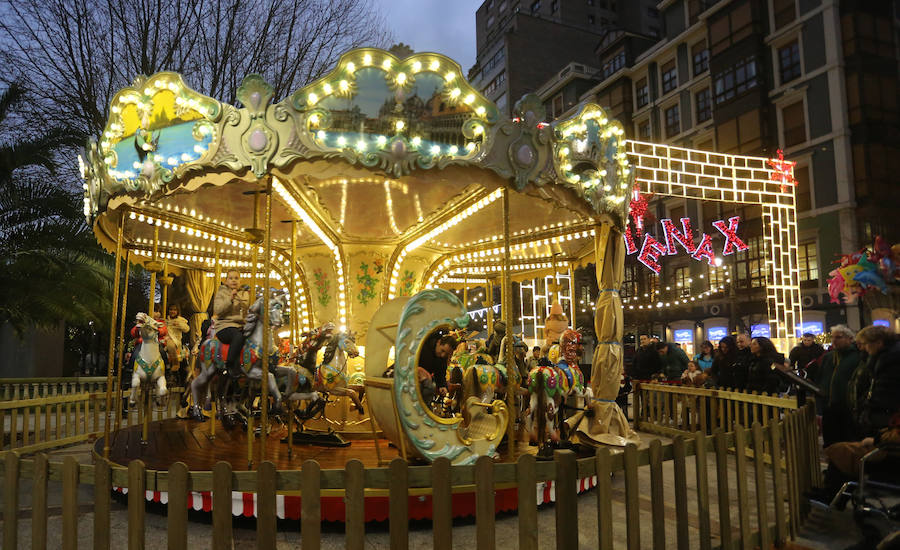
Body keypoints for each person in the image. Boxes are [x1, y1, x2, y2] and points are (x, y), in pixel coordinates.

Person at [815, 325, 863, 446]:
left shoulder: (857, 356)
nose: (834, 340)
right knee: (830, 442)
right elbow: (821, 378)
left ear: (850, 339)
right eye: (833, 337)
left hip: (847, 408)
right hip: (829, 407)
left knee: (846, 442)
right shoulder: (828, 357)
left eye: (839, 337)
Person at [853, 325, 900, 438]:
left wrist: (866, 404)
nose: (865, 348)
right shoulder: (882, 357)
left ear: (878, 343)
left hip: (887, 416)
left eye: (866, 343)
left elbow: (885, 391)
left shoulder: (890, 360)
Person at [213, 269, 250, 378]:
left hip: (241, 325)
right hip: (225, 326)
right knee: (238, 337)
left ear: (240, 281)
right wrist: (230, 299)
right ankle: (229, 364)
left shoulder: (244, 294)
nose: (234, 280)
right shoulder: (222, 293)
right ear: (226, 281)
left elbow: (247, 310)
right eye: (231, 278)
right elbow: (218, 310)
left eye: (236, 278)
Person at [417, 328, 460, 400]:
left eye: (446, 354)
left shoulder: (442, 358)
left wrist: (442, 386)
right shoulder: (423, 346)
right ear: (438, 342)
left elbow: (440, 374)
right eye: (442, 350)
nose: (443, 355)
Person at [164, 304, 190, 381]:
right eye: (171, 310)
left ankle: (175, 363)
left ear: (177, 311)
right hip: (164, 339)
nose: (172, 311)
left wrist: (178, 324)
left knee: (170, 345)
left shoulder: (180, 320)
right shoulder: (166, 320)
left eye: (174, 310)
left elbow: (186, 329)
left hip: (175, 340)